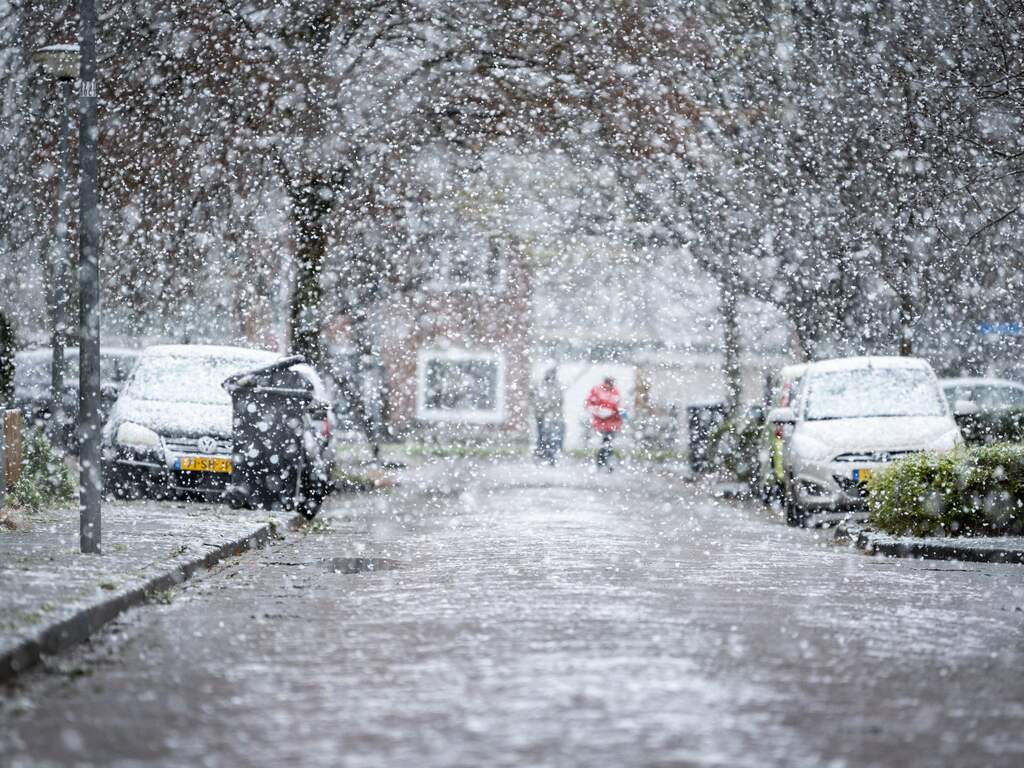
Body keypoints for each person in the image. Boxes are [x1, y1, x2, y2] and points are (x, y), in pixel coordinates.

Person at [585, 376, 622, 470]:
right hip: (600, 423)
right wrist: (599, 411)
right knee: (605, 442)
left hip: (613, 423)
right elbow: (589, 404)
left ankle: (605, 462)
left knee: (608, 443)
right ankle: (602, 462)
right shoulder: (597, 391)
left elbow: (618, 406)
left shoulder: (615, 392)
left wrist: (616, 412)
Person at [532, 368, 564, 465]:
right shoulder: (540, 385)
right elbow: (536, 399)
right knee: (542, 436)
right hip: (541, 416)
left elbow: (559, 400)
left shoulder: (557, 386)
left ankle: (550, 456)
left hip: (552, 416)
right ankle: (542, 454)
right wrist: (542, 408)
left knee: (551, 436)